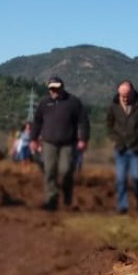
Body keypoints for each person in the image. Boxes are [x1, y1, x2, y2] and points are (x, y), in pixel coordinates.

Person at [29, 76, 89, 211]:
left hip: (68, 143)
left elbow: (83, 121)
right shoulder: (44, 103)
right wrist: (33, 139)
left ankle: (67, 196)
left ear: (62, 87)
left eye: (56, 88)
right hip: (49, 142)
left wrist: (83, 139)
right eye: (52, 89)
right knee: (49, 170)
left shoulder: (73, 102)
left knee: (65, 170)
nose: (54, 91)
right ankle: (51, 199)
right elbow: (37, 122)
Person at [105, 80, 138, 214]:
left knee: (137, 177)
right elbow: (109, 125)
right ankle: (122, 206)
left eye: (127, 96)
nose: (125, 98)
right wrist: (114, 139)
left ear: (132, 93)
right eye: (122, 96)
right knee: (121, 179)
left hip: (136, 148)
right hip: (120, 149)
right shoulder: (113, 106)